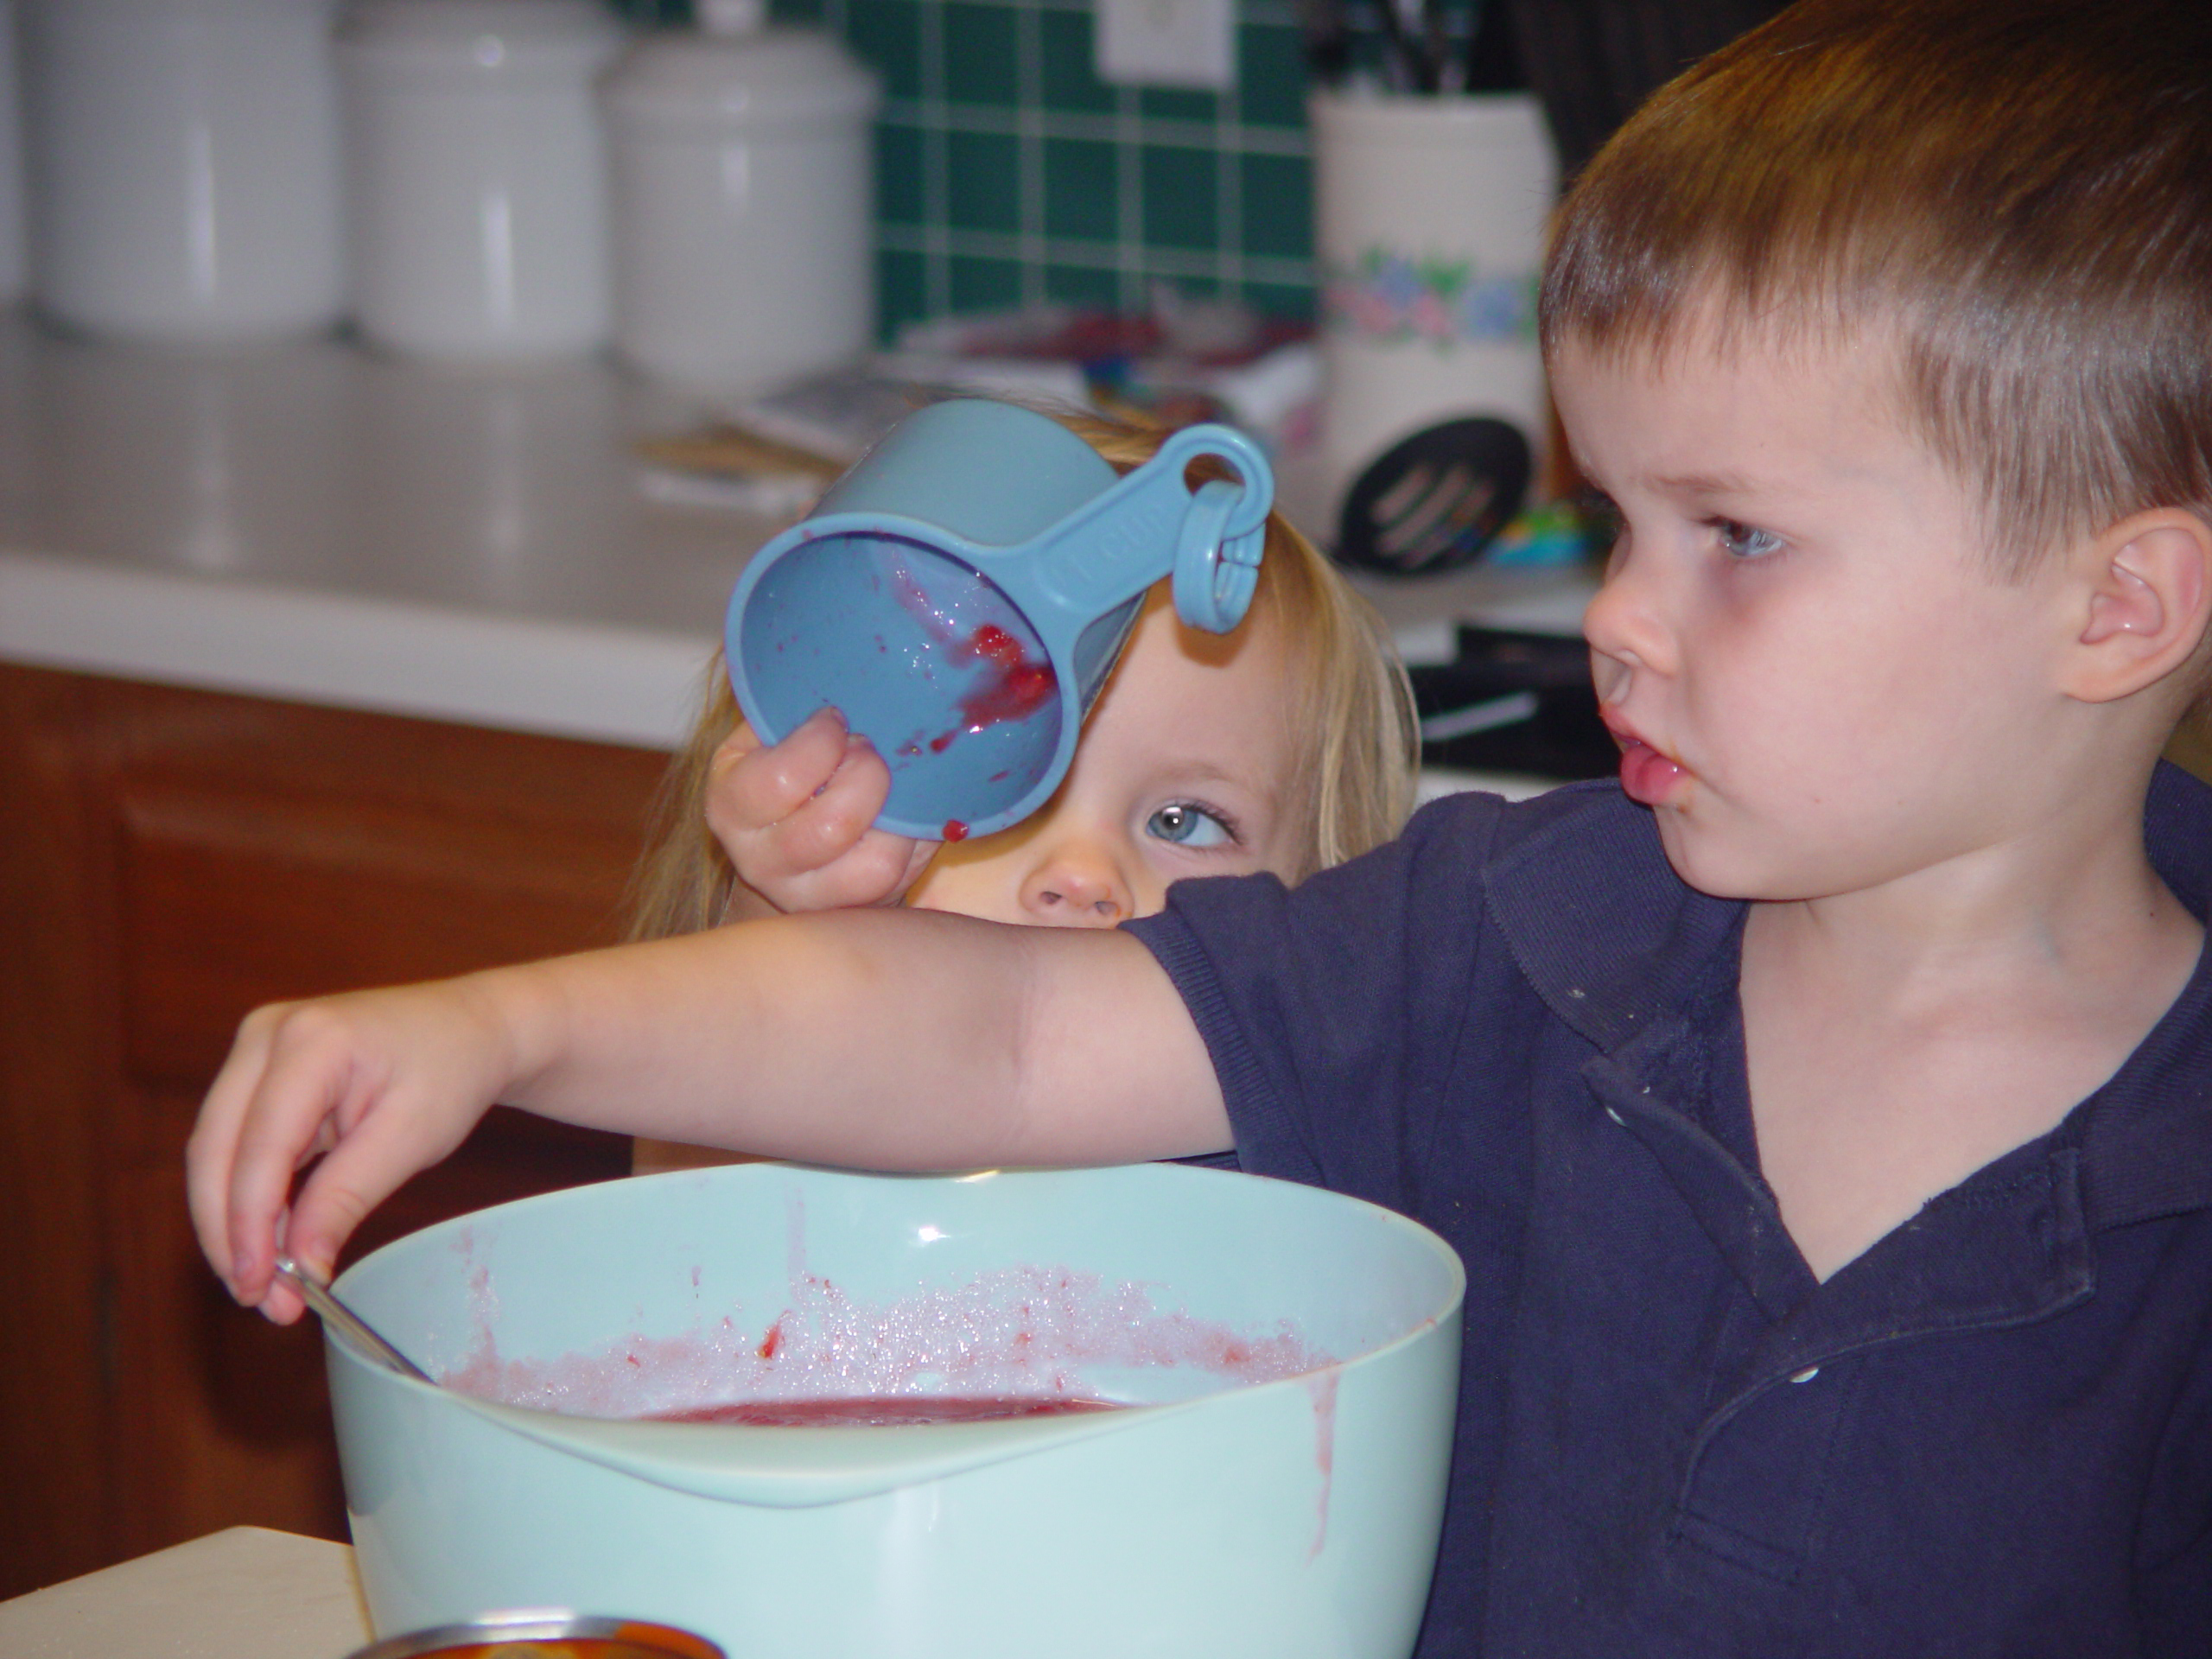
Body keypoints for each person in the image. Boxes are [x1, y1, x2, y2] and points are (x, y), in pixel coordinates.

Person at [186, 1, 2212, 1651]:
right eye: (1613, 523)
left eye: (1735, 538)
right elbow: (993, 1032)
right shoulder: (1500, 946)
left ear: (2112, 607)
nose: (1611, 615)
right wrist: (499, 1032)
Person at [623, 410, 1419, 1173]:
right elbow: (685, 1202)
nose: (1082, 878)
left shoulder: (1291, 1144)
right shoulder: (832, 1081)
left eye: (1184, 821)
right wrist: (778, 922)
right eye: (1014, 786)